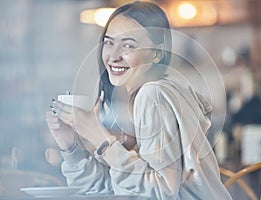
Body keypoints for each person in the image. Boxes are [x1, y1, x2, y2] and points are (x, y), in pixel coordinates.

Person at [46, 1, 232, 199]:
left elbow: (160, 191)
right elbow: (120, 187)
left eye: (128, 45)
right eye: (109, 42)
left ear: (157, 53)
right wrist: (70, 145)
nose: (114, 56)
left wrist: (100, 137)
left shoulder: (153, 94)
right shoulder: (159, 92)